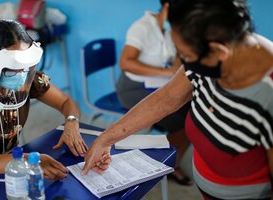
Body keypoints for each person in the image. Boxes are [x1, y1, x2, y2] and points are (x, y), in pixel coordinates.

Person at [83, 0, 273, 199]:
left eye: (185, 55)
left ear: (218, 52)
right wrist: (105, 139)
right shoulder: (212, 50)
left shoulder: (267, 93)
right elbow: (166, 98)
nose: (182, 63)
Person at [0, 20, 88, 180]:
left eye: (24, 66)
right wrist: (26, 161)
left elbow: (66, 102)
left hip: (13, 163)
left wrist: (72, 123)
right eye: (12, 67)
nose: (21, 73)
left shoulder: (25, 75)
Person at [116, 0, 192, 185]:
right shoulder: (142, 27)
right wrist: (166, 73)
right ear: (167, 7)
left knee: (194, 111)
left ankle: (169, 159)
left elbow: (174, 62)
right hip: (133, 88)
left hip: (157, 84)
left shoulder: (170, 30)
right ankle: (161, 163)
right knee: (183, 121)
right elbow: (125, 63)